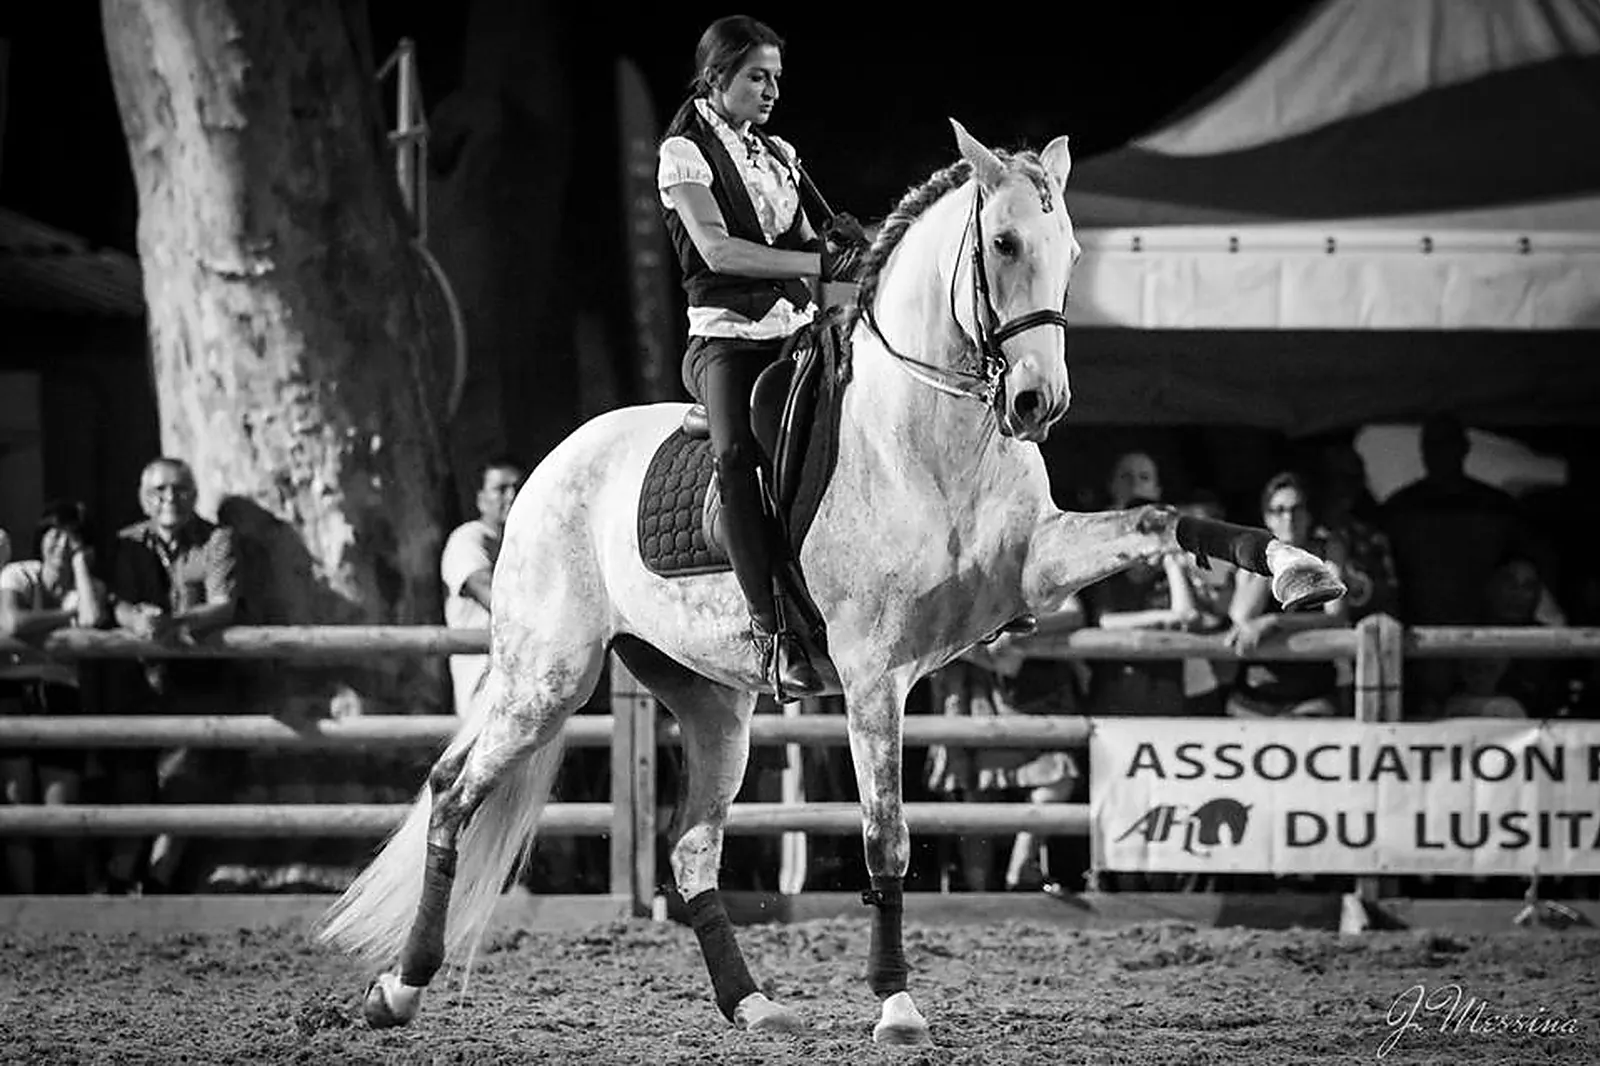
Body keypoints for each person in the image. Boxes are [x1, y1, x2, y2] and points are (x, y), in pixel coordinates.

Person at [657, 15, 868, 698]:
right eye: (757, 76)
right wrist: (814, 258)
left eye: (776, 79)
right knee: (736, 457)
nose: (771, 90)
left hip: (797, 333)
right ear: (717, 77)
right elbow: (718, 251)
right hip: (725, 340)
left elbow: (822, 257)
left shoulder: (779, 153)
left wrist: (847, 287)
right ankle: (770, 632)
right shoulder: (682, 154)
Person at [108, 457, 241, 893]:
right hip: (136, 680)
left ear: (195, 493)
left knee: (183, 779)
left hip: (196, 680)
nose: (171, 498)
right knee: (131, 775)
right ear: (143, 495)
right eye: (160, 490)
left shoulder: (216, 539)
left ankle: (158, 878)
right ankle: (120, 876)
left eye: (181, 489)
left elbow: (224, 605)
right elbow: (116, 602)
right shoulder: (125, 542)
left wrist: (174, 622)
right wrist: (135, 621)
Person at [1380, 413, 1553, 717]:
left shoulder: (1496, 506)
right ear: (1424, 450)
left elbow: (1525, 568)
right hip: (1416, 631)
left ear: (1464, 448)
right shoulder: (1400, 508)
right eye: (1434, 444)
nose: (1441, 452)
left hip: (1483, 633)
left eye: (1448, 444)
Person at [925, 602, 1086, 895]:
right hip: (978, 699)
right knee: (978, 796)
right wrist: (989, 643)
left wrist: (1017, 629)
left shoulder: (1043, 573)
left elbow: (1075, 612)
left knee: (1058, 777)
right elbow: (941, 633)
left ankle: (1020, 870)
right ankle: (979, 895)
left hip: (1038, 700)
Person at [0, 501, 108, 893]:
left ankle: (65, 898)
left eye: (73, 538)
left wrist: (80, 568)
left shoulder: (89, 587)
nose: (61, 545)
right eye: (55, 534)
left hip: (61, 694)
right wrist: (65, 618)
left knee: (60, 805)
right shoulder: (19, 573)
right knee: (17, 801)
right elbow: (11, 621)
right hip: (14, 691)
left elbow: (94, 618)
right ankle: (26, 898)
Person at [1226, 472, 1349, 719]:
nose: (1288, 518)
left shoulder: (1327, 553)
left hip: (1310, 695)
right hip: (1254, 696)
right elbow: (1241, 616)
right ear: (1267, 518)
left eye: (1296, 509)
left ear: (1309, 514)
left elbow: (1337, 616)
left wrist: (1275, 622)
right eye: (1279, 510)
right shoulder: (1255, 552)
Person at [440, 455, 525, 716]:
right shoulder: (468, 540)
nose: (511, 496)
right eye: (500, 489)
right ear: (480, 498)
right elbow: (491, 595)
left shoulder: (521, 545)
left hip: (520, 683)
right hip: (483, 687)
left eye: (518, 488)